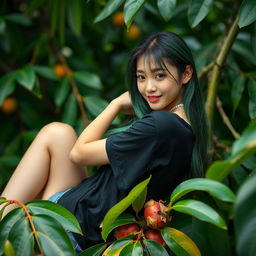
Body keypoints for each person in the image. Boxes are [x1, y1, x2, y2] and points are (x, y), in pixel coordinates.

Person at [0, 31, 209, 251]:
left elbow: (79, 154)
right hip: (78, 215)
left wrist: (115, 104)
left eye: (159, 76)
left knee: (53, 137)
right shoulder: (187, 131)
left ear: (186, 74)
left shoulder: (161, 125)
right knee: (59, 134)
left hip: (70, 228)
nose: (149, 88)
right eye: (141, 77)